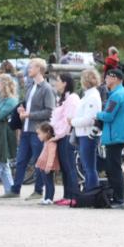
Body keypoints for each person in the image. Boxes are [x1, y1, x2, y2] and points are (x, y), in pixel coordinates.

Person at [3, 58, 55, 200]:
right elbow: (28, 106)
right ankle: (15, 189)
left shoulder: (47, 88)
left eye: (31, 67)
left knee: (38, 161)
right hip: (26, 129)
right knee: (21, 160)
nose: (28, 69)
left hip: (38, 131)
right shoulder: (30, 86)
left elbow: (50, 111)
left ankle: (38, 190)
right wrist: (22, 109)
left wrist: (29, 115)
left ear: (39, 69)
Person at [96, 68, 124, 208]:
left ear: (115, 78)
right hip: (117, 136)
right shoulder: (119, 94)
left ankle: (119, 199)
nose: (105, 79)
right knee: (113, 167)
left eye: (108, 77)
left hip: (116, 137)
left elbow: (108, 116)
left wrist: (97, 114)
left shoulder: (117, 96)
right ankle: (118, 197)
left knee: (114, 168)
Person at [49, 72, 80, 205]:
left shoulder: (72, 98)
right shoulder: (62, 98)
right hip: (60, 137)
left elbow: (68, 121)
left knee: (70, 167)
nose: (56, 83)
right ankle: (67, 195)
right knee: (64, 168)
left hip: (67, 137)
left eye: (58, 80)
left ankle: (74, 196)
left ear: (65, 83)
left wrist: (58, 136)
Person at [70, 68, 103, 193]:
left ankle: (93, 191)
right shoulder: (88, 95)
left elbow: (89, 119)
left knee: (89, 166)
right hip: (82, 133)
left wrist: (72, 122)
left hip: (88, 134)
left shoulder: (93, 97)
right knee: (86, 166)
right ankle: (89, 189)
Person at [34, 122, 59, 205]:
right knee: (46, 182)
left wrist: (49, 166)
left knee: (49, 182)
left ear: (47, 133)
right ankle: (46, 198)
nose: (38, 136)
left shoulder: (51, 143)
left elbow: (51, 156)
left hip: (48, 167)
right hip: (43, 166)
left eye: (40, 134)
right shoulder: (46, 142)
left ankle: (49, 198)